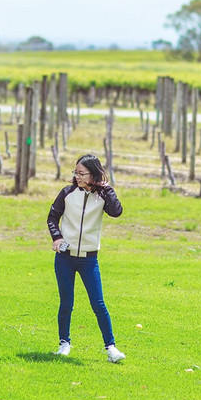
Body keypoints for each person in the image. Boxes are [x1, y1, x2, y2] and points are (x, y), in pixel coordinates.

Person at [46, 154, 125, 362]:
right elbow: (52, 217)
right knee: (66, 303)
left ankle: (111, 348)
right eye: (76, 173)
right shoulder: (67, 193)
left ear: (94, 174)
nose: (77, 177)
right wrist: (57, 237)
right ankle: (64, 343)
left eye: (82, 173)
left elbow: (116, 212)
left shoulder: (103, 196)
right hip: (65, 258)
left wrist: (107, 188)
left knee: (98, 304)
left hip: (89, 259)